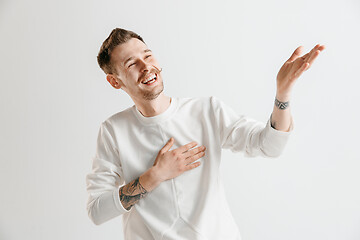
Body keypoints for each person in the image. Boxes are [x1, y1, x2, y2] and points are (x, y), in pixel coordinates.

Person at [86, 28, 325, 239]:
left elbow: (270, 146)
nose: (146, 66)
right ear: (114, 81)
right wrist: (156, 175)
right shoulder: (113, 131)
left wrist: (282, 94)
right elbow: (97, 210)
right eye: (131, 63)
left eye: (147, 56)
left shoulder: (206, 111)